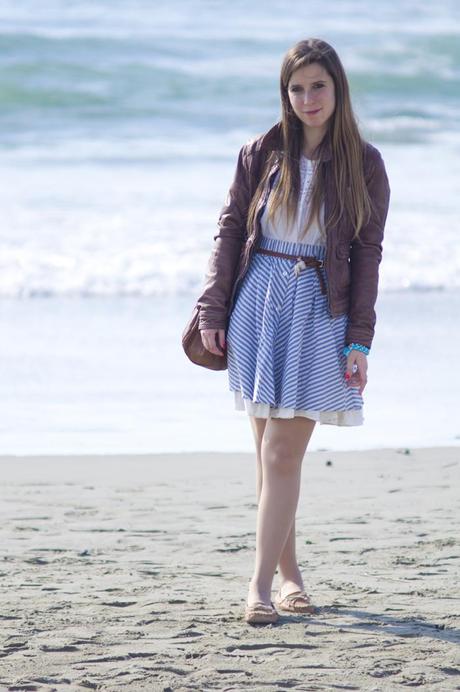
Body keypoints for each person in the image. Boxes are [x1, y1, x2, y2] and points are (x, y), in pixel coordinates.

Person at [196, 38, 391, 624]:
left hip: (317, 308)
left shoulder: (365, 162)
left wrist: (359, 340)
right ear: (285, 93)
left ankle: (256, 587)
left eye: (319, 86)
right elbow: (230, 230)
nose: (308, 98)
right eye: (297, 87)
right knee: (267, 458)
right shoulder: (261, 153)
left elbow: (367, 254)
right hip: (258, 299)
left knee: (282, 452)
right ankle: (289, 578)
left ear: (338, 88)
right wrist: (213, 309)